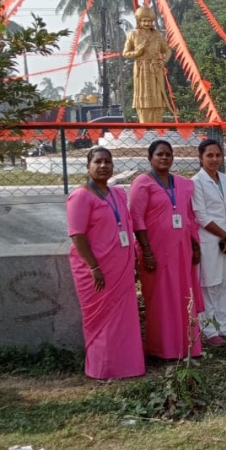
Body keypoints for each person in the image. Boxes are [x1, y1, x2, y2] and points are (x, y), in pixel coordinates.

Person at [66, 147, 145, 380]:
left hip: (120, 269)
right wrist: (94, 267)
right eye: (98, 162)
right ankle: (103, 369)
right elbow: (77, 235)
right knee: (102, 321)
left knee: (124, 320)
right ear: (88, 167)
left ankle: (127, 366)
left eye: (108, 162)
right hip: (96, 272)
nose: (103, 166)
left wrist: (134, 263)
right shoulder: (80, 196)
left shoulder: (117, 194)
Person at [129, 140, 204, 360]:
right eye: (160, 154)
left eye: (168, 154)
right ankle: (162, 348)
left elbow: (189, 217)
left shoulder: (181, 183)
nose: (164, 158)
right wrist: (148, 252)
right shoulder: (142, 183)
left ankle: (186, 345)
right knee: (161, 298)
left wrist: (195, 245)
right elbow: (136, 218)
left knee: (182, 296)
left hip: (181, 251)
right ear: (150, 158)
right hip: (156, 252)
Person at [192, 138, 226, 345]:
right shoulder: (196, 182)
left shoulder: (224, 179)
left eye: (217, 155)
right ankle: (209, 331)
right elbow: (202, 216)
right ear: (201, 158)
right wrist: (225, 236)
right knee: (210, 284)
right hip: (210, 239)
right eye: (209, 155)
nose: (214, 159)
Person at [122, 6, 173, 124]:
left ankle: (158, 124)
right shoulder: (133, 34)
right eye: (144, 20)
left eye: (149, 21)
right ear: (139, 21)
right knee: (143, 96)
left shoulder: (157, 35)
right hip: (141, 68)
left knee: (158, 95)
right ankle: (144, 124)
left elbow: (168, 50)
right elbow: (125, 53)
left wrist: (164, 61)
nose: (147, 23)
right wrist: (137, 52)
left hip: (155, 68)